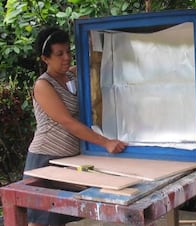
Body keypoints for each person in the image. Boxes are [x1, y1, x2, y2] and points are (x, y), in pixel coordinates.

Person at [24, 27, 128, 226]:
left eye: (68, 52)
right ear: (45, 59)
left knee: (60, 215)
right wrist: (105, 142)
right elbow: (68, 122)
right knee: (41, 221)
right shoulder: (43, 85)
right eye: (59, 54)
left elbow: (94, 63)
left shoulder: (71, 76)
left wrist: (95, 38)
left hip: (69, 160)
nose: (66, 58)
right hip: (45, 159)